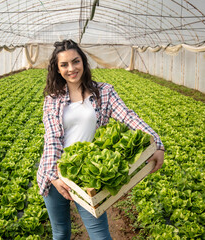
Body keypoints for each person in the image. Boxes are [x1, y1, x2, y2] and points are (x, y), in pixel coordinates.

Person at [37, 39, 165, 240]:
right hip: (54, 171)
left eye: (75, 61)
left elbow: (128, 117)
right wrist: (54, 176)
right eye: (64, 65)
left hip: (87, 175)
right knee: (60, 233)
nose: (71, 68)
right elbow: (52, 139)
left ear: (83, 62)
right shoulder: (52, 99)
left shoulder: (104, 92)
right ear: (57, 69)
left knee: (100, 235)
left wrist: (156, 143)